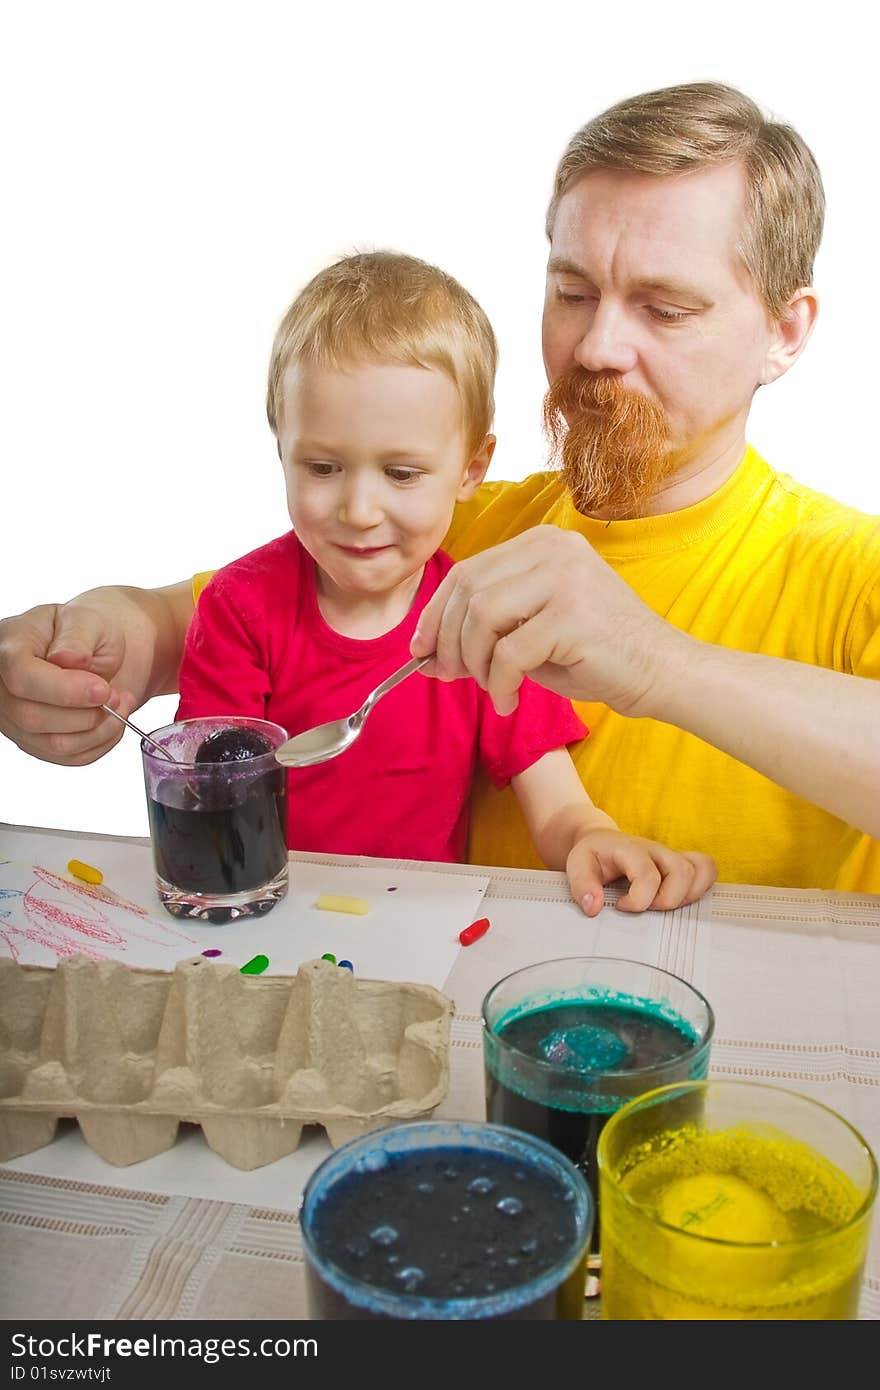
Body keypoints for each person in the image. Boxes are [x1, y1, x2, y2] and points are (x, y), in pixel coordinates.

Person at [2, 81, 878, 893]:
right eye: (573, 292)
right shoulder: (451, 524)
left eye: (665, 308)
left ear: (785, 332)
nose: (597, 346)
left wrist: (655, 664)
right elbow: (203, 624)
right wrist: (94, 637)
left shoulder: (850, 571)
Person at [173, 250, 714, 915]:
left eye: (401, 474)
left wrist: (593, 839)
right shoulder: (238, 609)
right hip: (261, 918)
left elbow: (557, 806)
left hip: (419, 934)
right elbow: (208, 789)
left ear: (470, 469)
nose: (359, 510)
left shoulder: (480, 616)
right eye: (321, 467)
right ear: (281, 444)